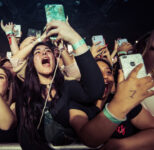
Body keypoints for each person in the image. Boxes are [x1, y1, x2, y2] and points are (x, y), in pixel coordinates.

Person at [15, 20, 105, 149]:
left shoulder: (68, 86)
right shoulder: (25, 94)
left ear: (54, 57)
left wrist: (74, 38)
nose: (44, 53)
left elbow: (95, 91)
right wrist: (39, 39)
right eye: (37, 52)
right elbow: (25, 136)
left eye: (47, 50)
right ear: (32, 64)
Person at [92, 58, 154, 150]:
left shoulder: (125, 100)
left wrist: (120, 145)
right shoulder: (78, 107)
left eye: (108, 72)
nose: (104, 76)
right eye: (96, 72)